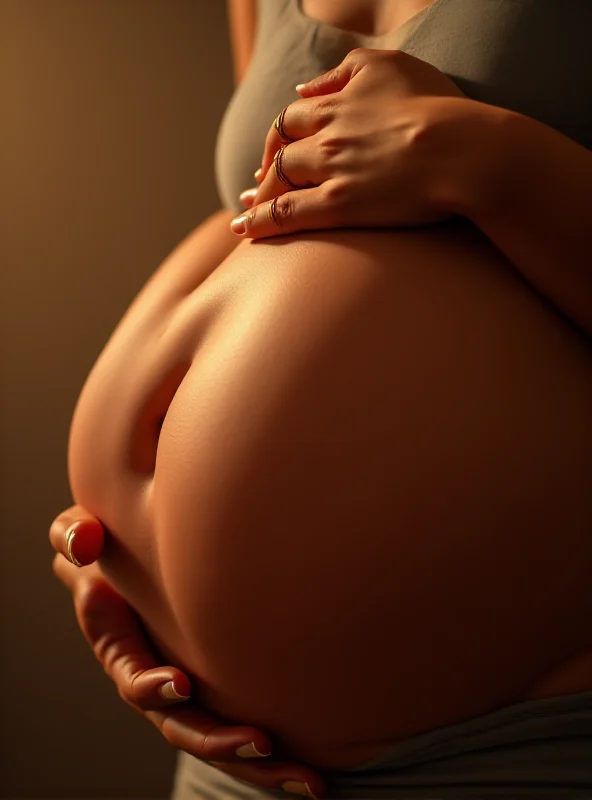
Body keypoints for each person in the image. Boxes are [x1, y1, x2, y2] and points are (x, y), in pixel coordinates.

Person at [50, 0, 592, 798]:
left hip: (513, 747)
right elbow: (273, 196)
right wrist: (116, 557)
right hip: (224, 763)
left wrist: (478, 156)